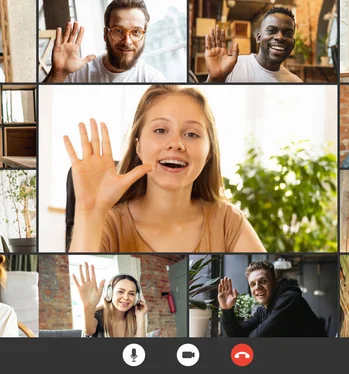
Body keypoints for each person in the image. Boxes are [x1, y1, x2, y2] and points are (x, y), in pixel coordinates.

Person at [64, 85, 266, 252]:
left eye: (192, 134)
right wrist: (90, 212)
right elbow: (79, 289)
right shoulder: (109, 223)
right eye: (160, 130)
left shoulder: (227, 222)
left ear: (209, 154)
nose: (176, 143)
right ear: (138, 147)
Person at [43, 0, 165, 83]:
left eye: (136, 32)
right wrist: (57, 74)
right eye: (118, 31)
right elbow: (38, 109)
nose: (127, 41)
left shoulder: (153, 80)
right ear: (105, 34)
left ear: (144, 35)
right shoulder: (76, 72)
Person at [217, 260, 327, 337]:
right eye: (252, 284)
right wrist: (226, 309)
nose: (257, 288)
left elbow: (257, 339)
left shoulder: (290, 300)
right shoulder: (263, 310)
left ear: (275, 281)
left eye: (263, 281)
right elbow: (237, 336)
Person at [204, 7, 301, 83]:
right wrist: (215, 79)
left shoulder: (295, 82)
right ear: (258, 38)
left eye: (288, 33)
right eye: (272, 31)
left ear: (293, 43)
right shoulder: (232, 67)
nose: (280, 37)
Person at [73, 262, 148, 337]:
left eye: (131, 293)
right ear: (109, 293)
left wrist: (140, 316)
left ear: (137, 298)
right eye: (120, 291)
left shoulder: (133, 317)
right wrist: (88, 306)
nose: (126, 297)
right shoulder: (98, 315)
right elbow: (89, 331)